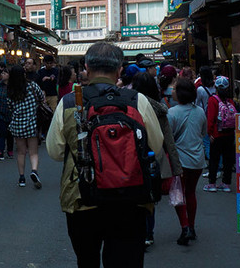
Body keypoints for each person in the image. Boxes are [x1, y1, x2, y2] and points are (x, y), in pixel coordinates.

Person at [46, 42, 165, 268]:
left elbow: (55, 151)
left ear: (87, 68)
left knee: (87, 259)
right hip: (130, 196)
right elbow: (156, 147)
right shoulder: (137, 101)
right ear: (119, 69)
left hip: (82, 197)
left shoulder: (69, 102)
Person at [130, 72, 182, 249]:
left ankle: (137, 231)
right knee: (150, 198)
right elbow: (169, 140)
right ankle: (148, 234)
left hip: (132, 158)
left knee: (135, 196)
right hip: (156, 160)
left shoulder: (130, 106)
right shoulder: (159, 109)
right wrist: (176, 168)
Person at [168, 78, 206, 245]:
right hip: (197, 159)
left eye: (175, 89)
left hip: (180, 161)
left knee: (178, 193)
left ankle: (185, 227)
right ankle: (192, 226)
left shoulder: (172, 113)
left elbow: (168, 138)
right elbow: (203, 133)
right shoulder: (199, 111)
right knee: (190, 193)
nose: (172, 92)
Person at [6, 65, 45, 188]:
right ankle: (34, 171)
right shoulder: (32, 86)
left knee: (21, 153)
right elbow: (41, 98)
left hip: (17, 124)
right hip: (31, 123)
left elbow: (10, 107)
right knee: (33, 152)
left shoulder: (10, 90)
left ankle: (22, 178)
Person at [204, 76, 237, 192]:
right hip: (229, 135)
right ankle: (226, 183)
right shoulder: (230, 101)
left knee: (214, 160)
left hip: (217, 135)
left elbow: (211, 119)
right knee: (228, 160)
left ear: (216, 87)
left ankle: (212, 184)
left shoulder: (213, 100)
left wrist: (210, 133)